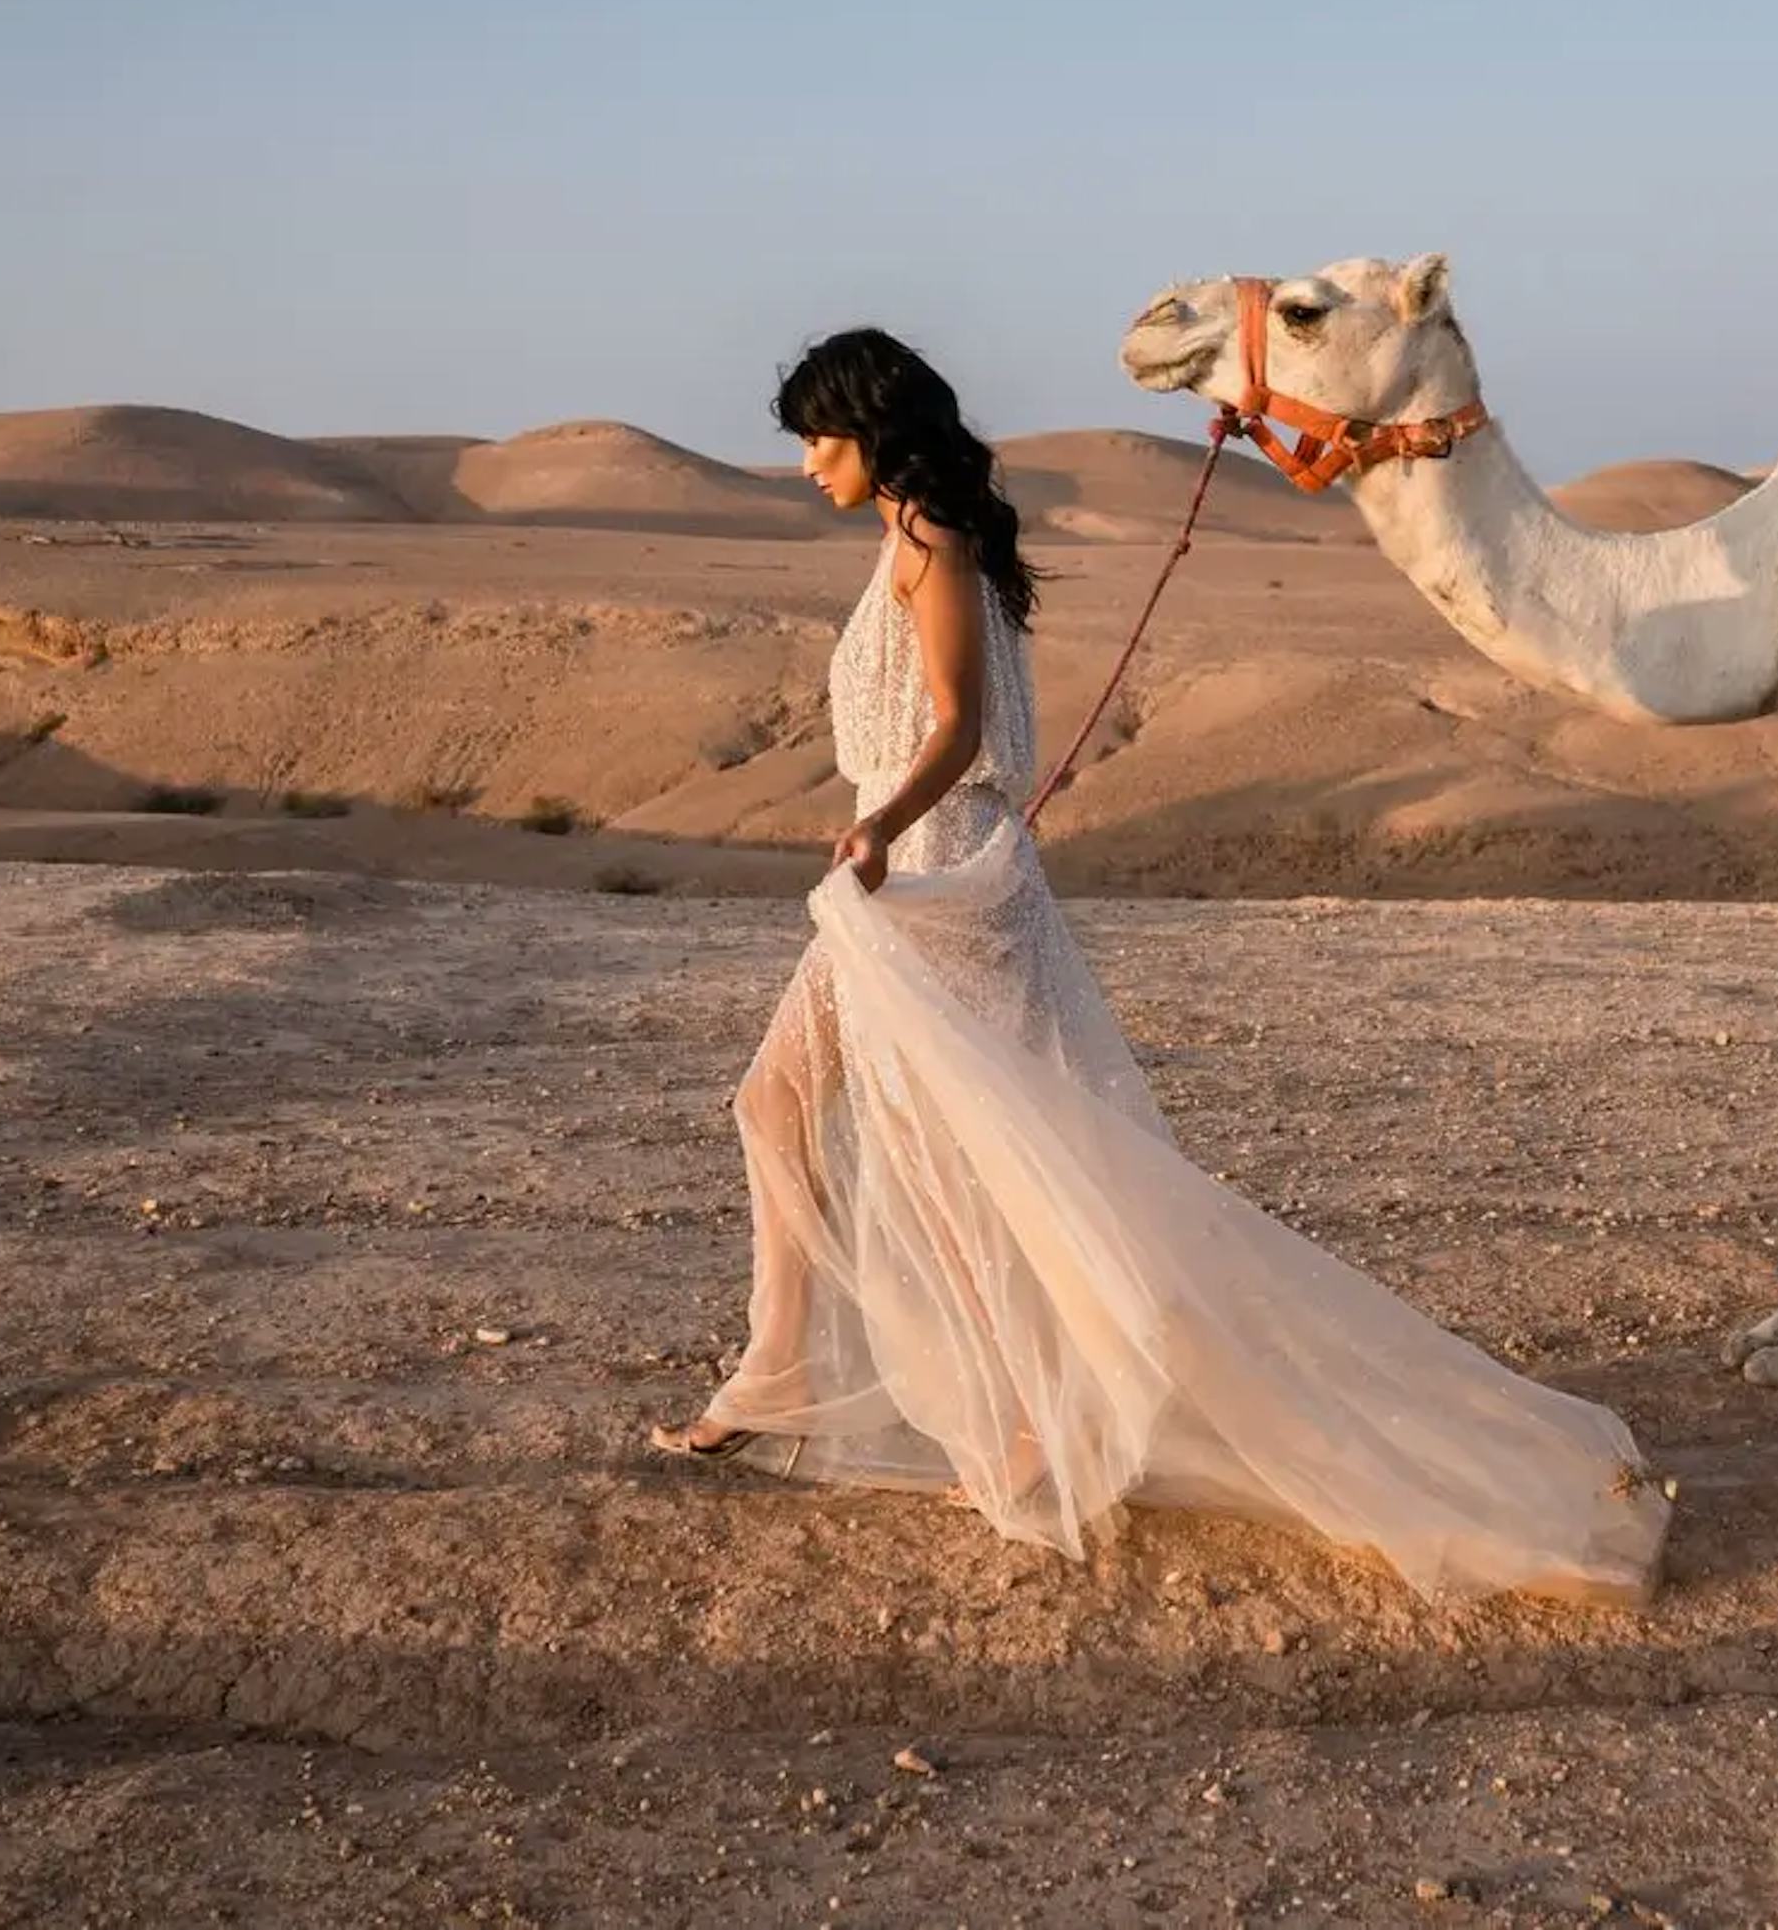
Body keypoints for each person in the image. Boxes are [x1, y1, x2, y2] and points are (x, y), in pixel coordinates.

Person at [650, 328, 1668, 1606]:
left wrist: (879, 826)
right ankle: (784, 1373)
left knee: (971, 1156)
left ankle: (1018, 1420)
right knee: (788, 1105)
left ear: (875, 432)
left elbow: (961, 726)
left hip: (938, 879)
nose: (805, 462)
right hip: (914, 877)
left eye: (819, 437)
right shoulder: (907, 535)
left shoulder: (933, 543)